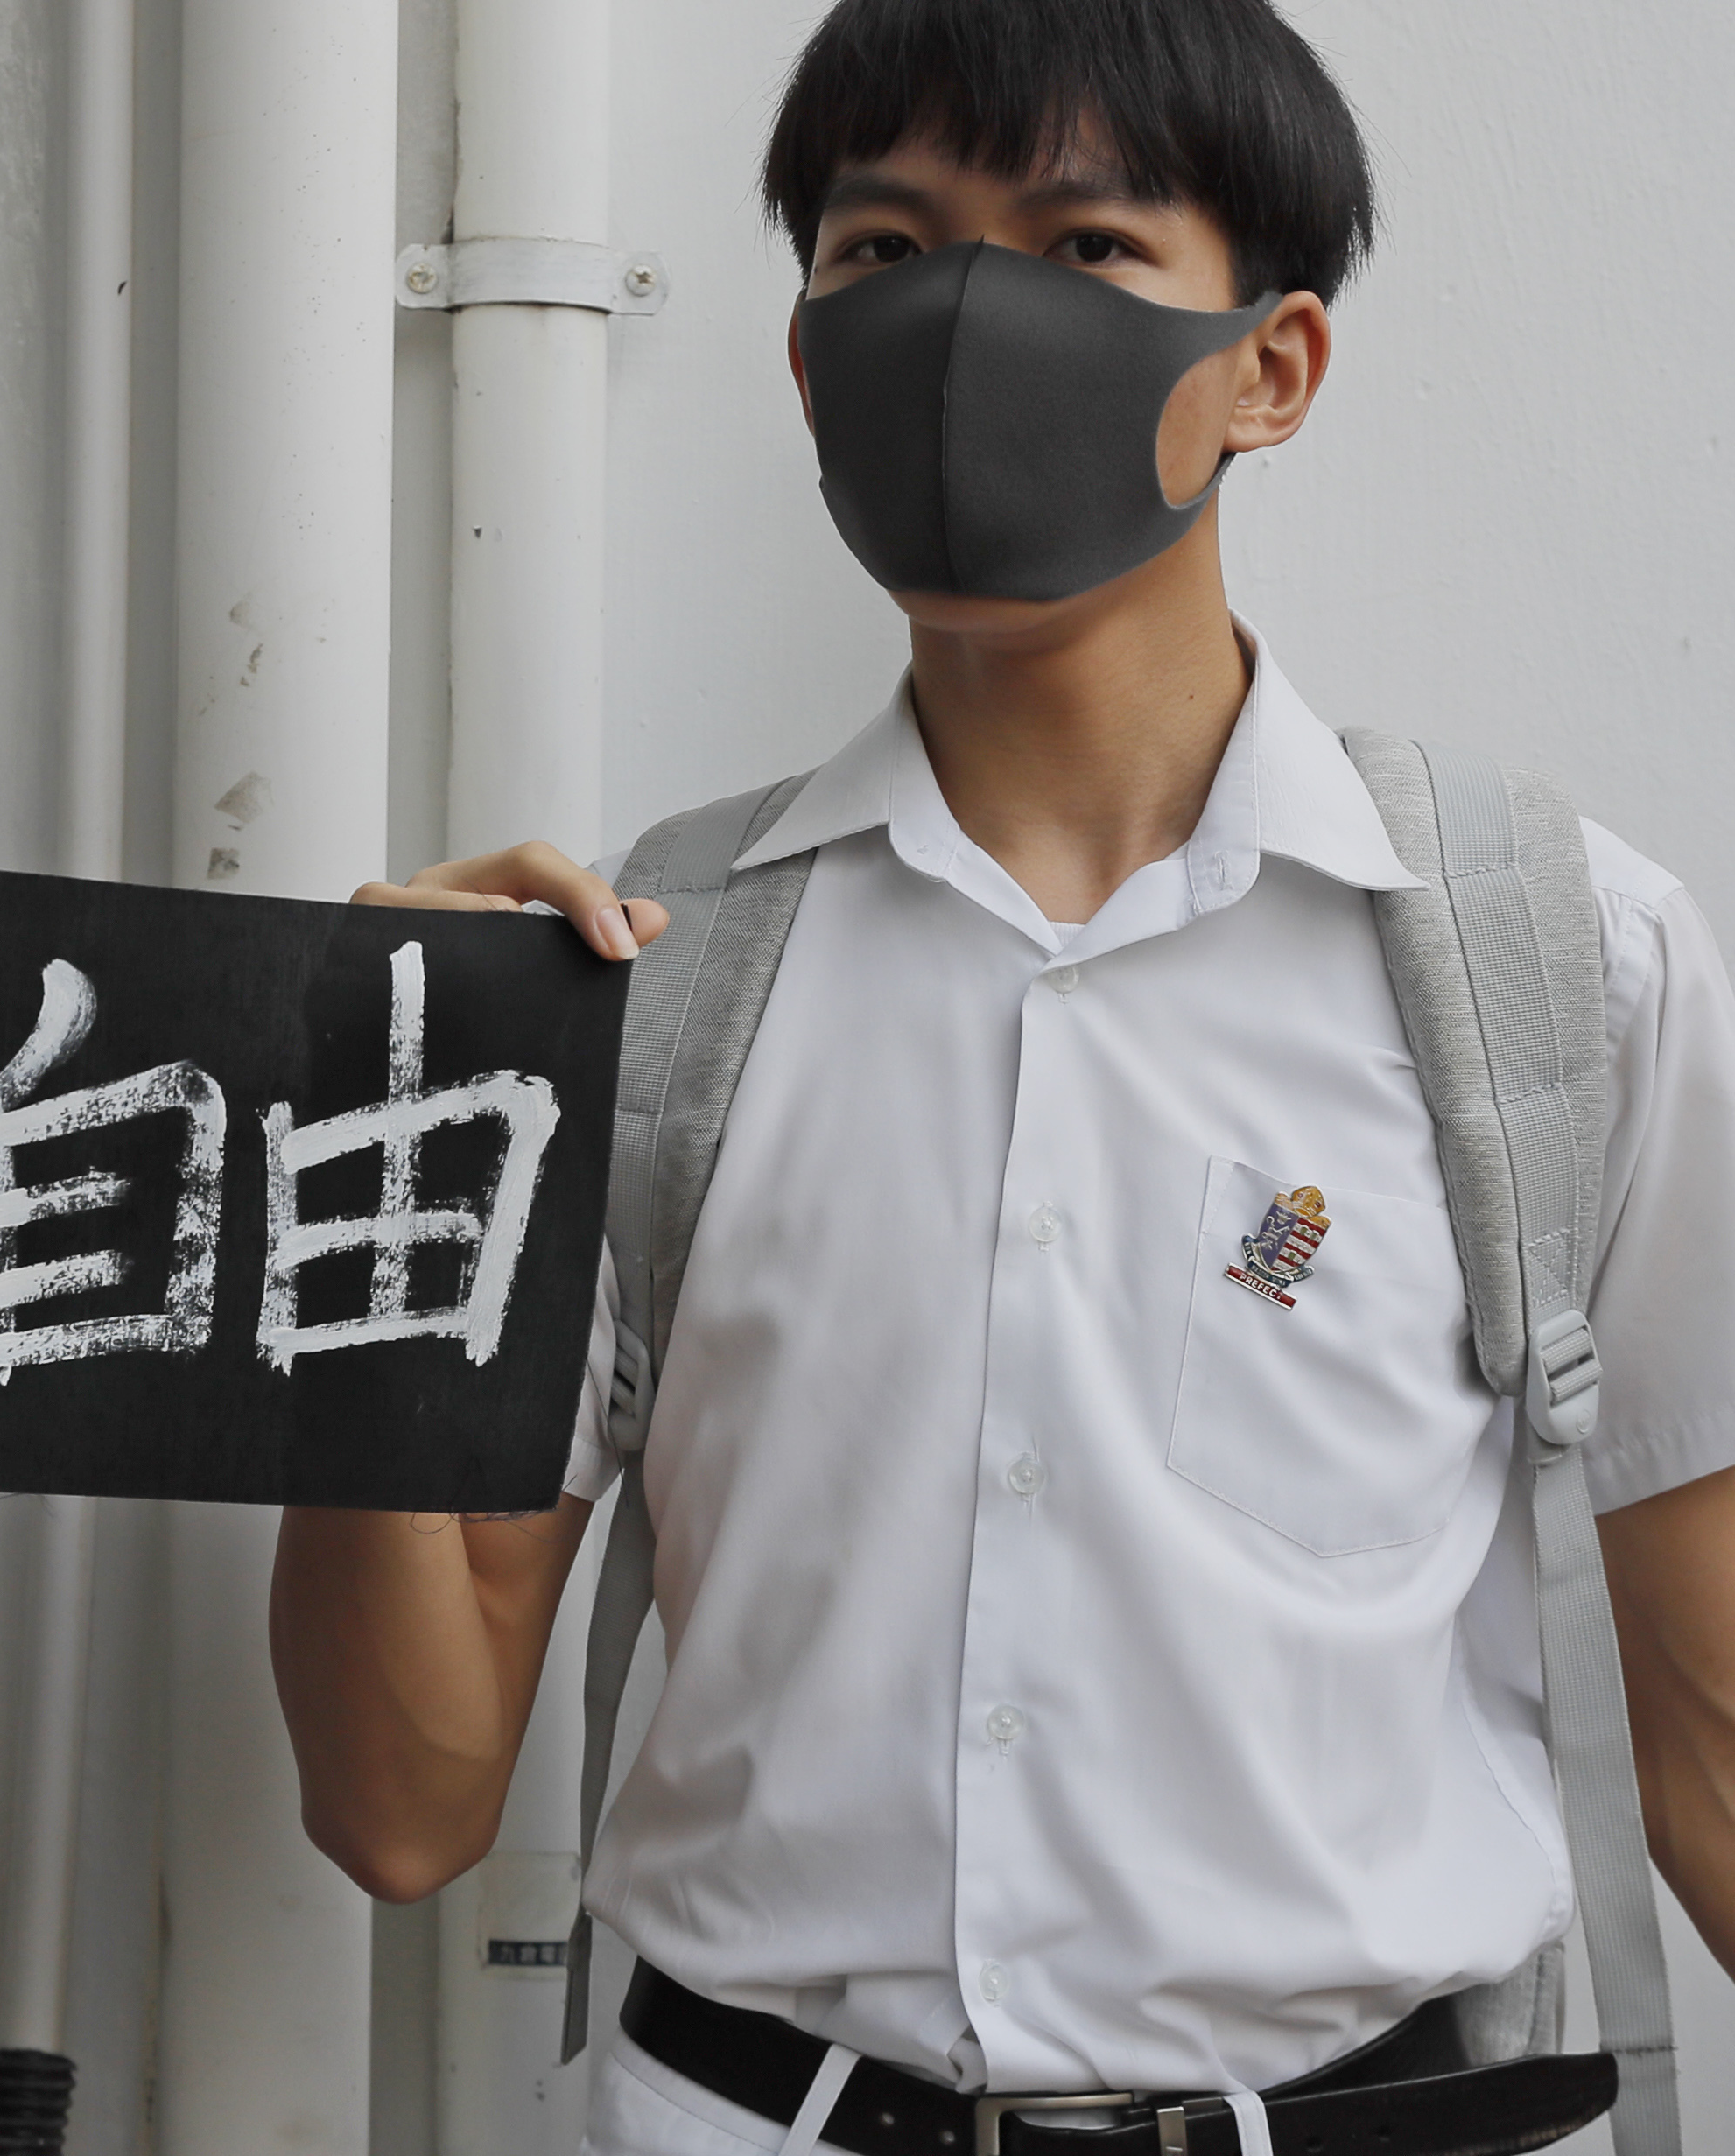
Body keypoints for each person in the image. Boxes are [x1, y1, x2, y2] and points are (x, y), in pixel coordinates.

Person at [273, 3, 1735, 2152]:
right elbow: (401, 1801)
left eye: (1084, 247)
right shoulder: (629, 992)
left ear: (1275, 367)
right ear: (798, 358)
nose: (963, 320)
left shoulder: (1553, 960)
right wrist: (370, 1173)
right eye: (884, 251)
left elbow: (1715, 1737)